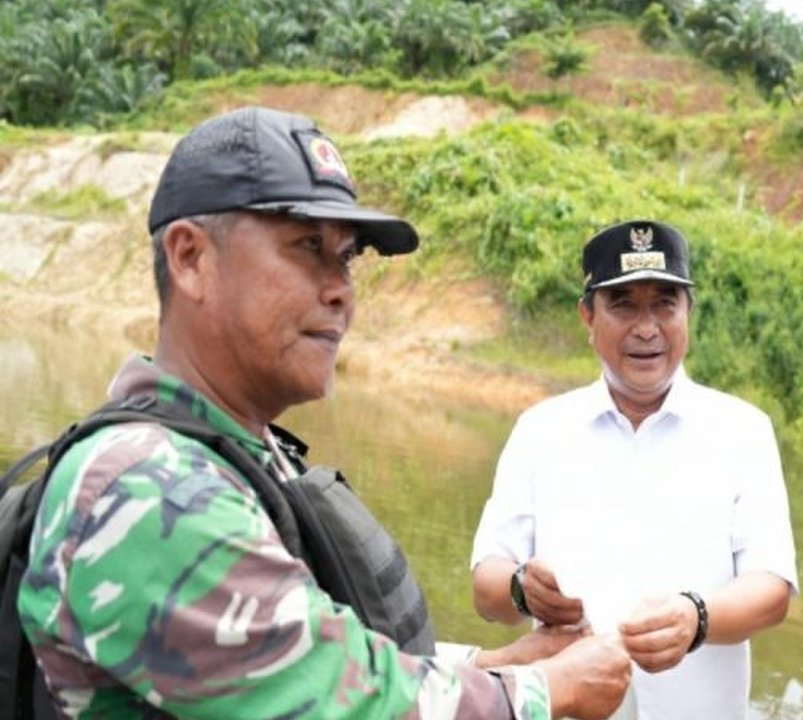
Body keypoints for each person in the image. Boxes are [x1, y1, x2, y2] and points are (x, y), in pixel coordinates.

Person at [17, 106, 630, 719]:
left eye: (346, 257)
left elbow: (320, 652)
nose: (341, 291)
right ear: (190, 258)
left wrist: (501, 666)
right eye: (308, 246)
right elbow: (345, 703)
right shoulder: (146, 487)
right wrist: (543, 691)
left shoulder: (239, 454)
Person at [470, 220, 798, 719]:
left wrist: (696, 617)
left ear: (688, 312)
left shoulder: (742, 431)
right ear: (588, 316)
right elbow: (486, 588)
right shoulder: (541, 430)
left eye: (665, 304)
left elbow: (771, 591)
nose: (647, 328)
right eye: (623, 305)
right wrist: (522, 588)